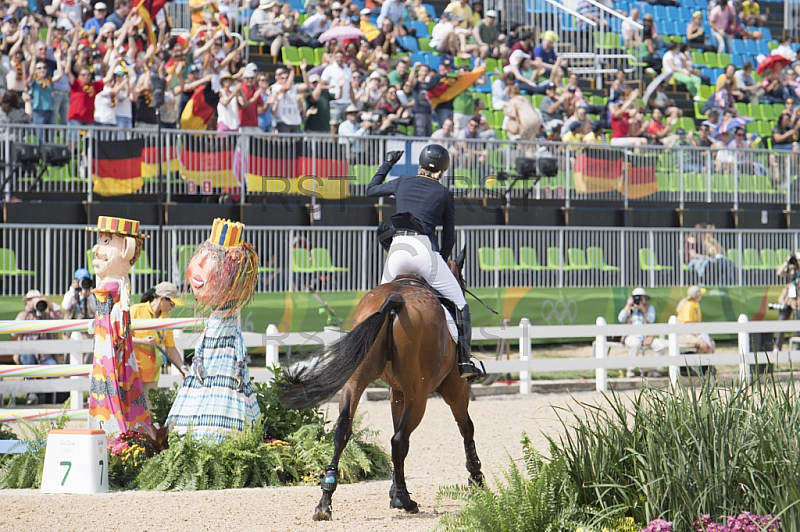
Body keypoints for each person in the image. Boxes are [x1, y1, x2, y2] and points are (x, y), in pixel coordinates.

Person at [366, 146, 485, 380]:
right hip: (424, 251)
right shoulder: (444, 193)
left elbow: (371, 190)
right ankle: (464, 361)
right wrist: (440, 259)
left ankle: (368, 353)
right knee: (460, 304)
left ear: (419, 163)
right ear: (444, 169)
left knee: (377, 302)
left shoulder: (402, 180)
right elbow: (448, 237)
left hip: (398, 249)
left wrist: (388, 163)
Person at [167, 218, 261, 442]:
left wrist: (239, 366)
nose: (199, 264)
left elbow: (238, 344)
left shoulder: (229, 325)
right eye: (200, 256)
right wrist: (197, 359)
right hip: (206, 371)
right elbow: (202, 343)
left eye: (210, 259)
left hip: (225, 373)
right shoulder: (212, 324)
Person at [87, 216, 151, 435]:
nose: (96, 248)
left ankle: (116, 431)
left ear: (126, 248)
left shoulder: (115, 286)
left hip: (109, 350)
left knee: (112, 382)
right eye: (100, 239)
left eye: (106, 241)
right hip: (109, 348)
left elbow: (117, 322)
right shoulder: (116, 285)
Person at [131, 282, 189, 402]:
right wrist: (142, 341)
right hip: (132, 372)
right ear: (162, 299)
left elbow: (171, 348)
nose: (173, 307)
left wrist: (182, 368)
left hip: (152, 374)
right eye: (172, 303)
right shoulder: (135, 311)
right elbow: (120, 337)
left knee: (149, 414)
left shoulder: (166, 319)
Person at [12, 289, 64, 405]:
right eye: (32, 301)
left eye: (38, 300)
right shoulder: (23, 315)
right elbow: (13, 333)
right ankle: (33, 392)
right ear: (27, 303)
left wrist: (49, 304)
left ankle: (48, 397)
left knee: (53, 368)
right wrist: (27, 312)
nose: (36, 303)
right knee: (27, 359)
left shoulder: (47, 315)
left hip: (46, 356)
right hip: (28, 354)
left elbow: (60, 316)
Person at [618, 287, 667, 378]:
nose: (639, 300)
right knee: (635, 344)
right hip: (631, 335)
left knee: (661, 346)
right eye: (637, 297)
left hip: (646, 336)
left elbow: (651, 319)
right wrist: (628, 305)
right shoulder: (629, 309)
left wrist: (643, 310)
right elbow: (621, 318)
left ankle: (655, 370)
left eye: (641, 297)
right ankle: (631, 370)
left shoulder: (649, 308)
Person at [775, 252, 800, 350]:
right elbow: (779, 273)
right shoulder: (790, 269)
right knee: (782, 322)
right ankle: (778, 346)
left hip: (798, 300)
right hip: (788, 299)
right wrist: (787, 261)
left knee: (798, 324)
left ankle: (798, 347)